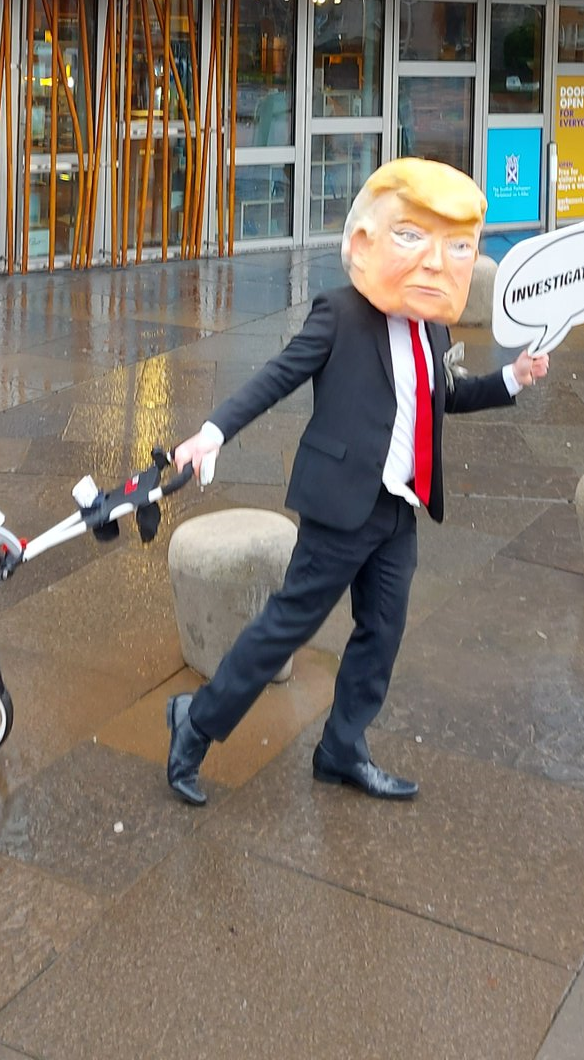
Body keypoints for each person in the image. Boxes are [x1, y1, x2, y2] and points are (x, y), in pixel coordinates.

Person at [166, 157, 549, 806]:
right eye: (412, 237)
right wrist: (213, 431)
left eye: (454, 246)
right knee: (286, 627)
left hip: (399, 507)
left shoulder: (432, 320)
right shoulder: (340, 314)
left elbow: (439, 398)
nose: (434, 262)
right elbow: (277, 376)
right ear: (369, 242)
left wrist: (513, 378)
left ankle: (343, 748)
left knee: (382, 631)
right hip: (342, 504)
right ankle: (196, 726)